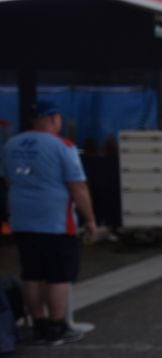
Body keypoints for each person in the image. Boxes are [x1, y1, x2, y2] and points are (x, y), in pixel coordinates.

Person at [2, 100, 97, 345]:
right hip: (55, 220)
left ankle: (39, 324)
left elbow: (8, 180)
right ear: (53, 118)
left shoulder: (11, 145)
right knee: (58, 276)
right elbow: (77, 187)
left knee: (31, 274)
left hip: (22, 219)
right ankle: (58, 325)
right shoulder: (62, 146)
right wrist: (90, 219)